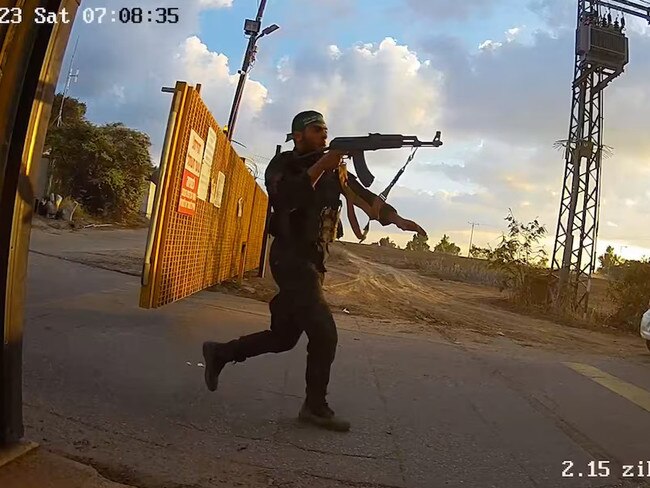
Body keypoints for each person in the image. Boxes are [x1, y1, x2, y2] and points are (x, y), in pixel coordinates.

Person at [202, 110, 423, 432]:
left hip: (314, 261)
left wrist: (396, 219)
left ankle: (221, 352)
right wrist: (323, 164)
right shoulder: (283, 165)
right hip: (290, 258)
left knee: (283, 337)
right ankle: (314, 407)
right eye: (316, 130)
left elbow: (364, 198)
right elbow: (285, 198)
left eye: (325, 130)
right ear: (298, 135)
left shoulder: (337, 172)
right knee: (324, 332)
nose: (323, 134)